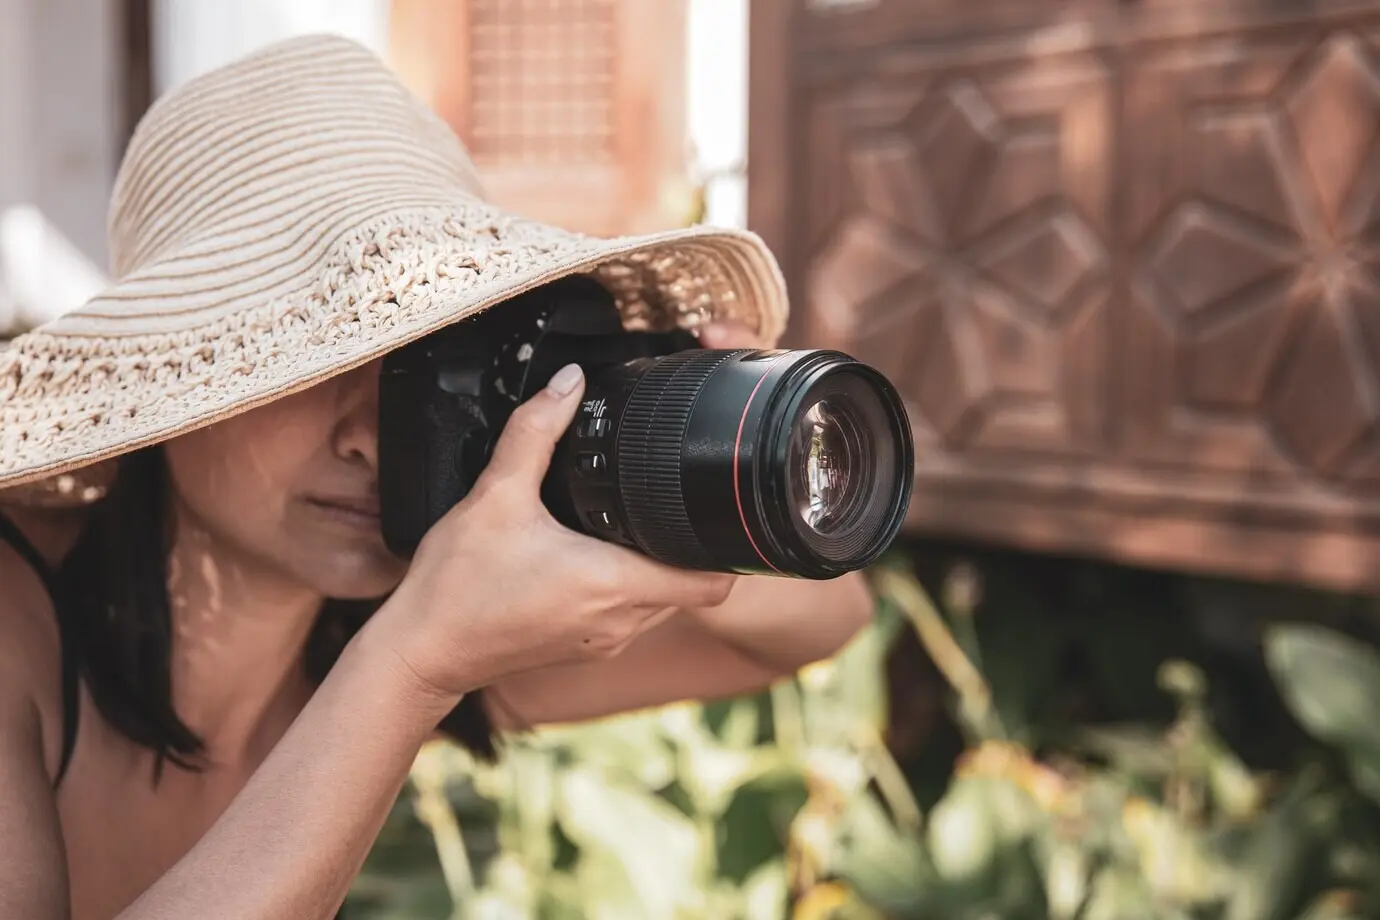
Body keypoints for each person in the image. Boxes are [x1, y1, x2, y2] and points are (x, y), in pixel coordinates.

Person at [0, 34, 876, 920]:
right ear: (165, 382)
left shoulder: (399, 607)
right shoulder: (16, 619)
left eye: (417, 364)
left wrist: (667, 486)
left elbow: (825, 618)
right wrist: (412, 665)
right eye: (303, 366)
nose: (371, 438)